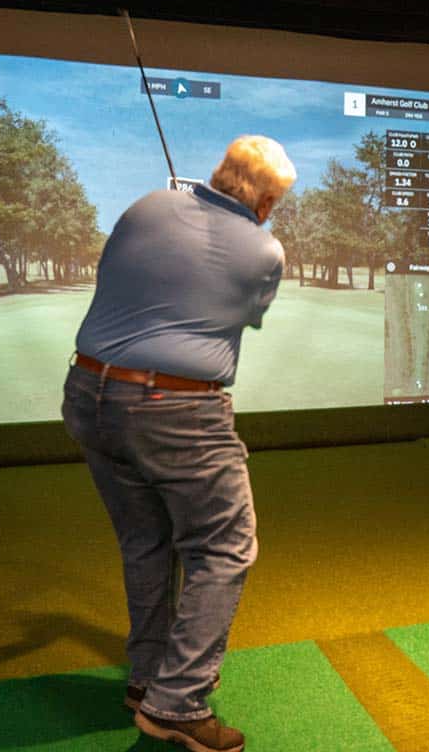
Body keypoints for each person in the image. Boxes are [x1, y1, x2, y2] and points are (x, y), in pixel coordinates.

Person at [61, 136, 295, 752]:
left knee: (146, 541)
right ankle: (179, 703)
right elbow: (248, 317)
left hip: (89, 393)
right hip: (177, 409)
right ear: (267, 200)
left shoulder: (144, 207)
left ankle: (145, 681)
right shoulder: (264, 249)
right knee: (224, 548)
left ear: (219, 171)